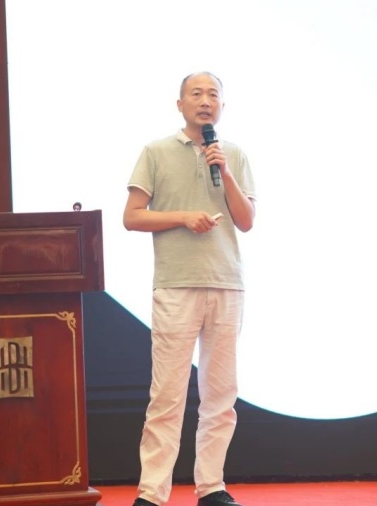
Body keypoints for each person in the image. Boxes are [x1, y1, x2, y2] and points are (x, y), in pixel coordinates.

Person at [123, 71, 256, 506]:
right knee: (167, 395)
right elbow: (133, 216)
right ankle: (151, 493)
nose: (205, 101)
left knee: (220, 395)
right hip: (176, 285)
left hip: (226, 284)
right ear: (180, 104)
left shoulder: (233, 154)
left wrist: (225, 171)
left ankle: (212, 487)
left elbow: (246, 220)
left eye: (213, 94)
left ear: (222, 106)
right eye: (196, 93)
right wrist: (182, 217)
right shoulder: (156, 151)